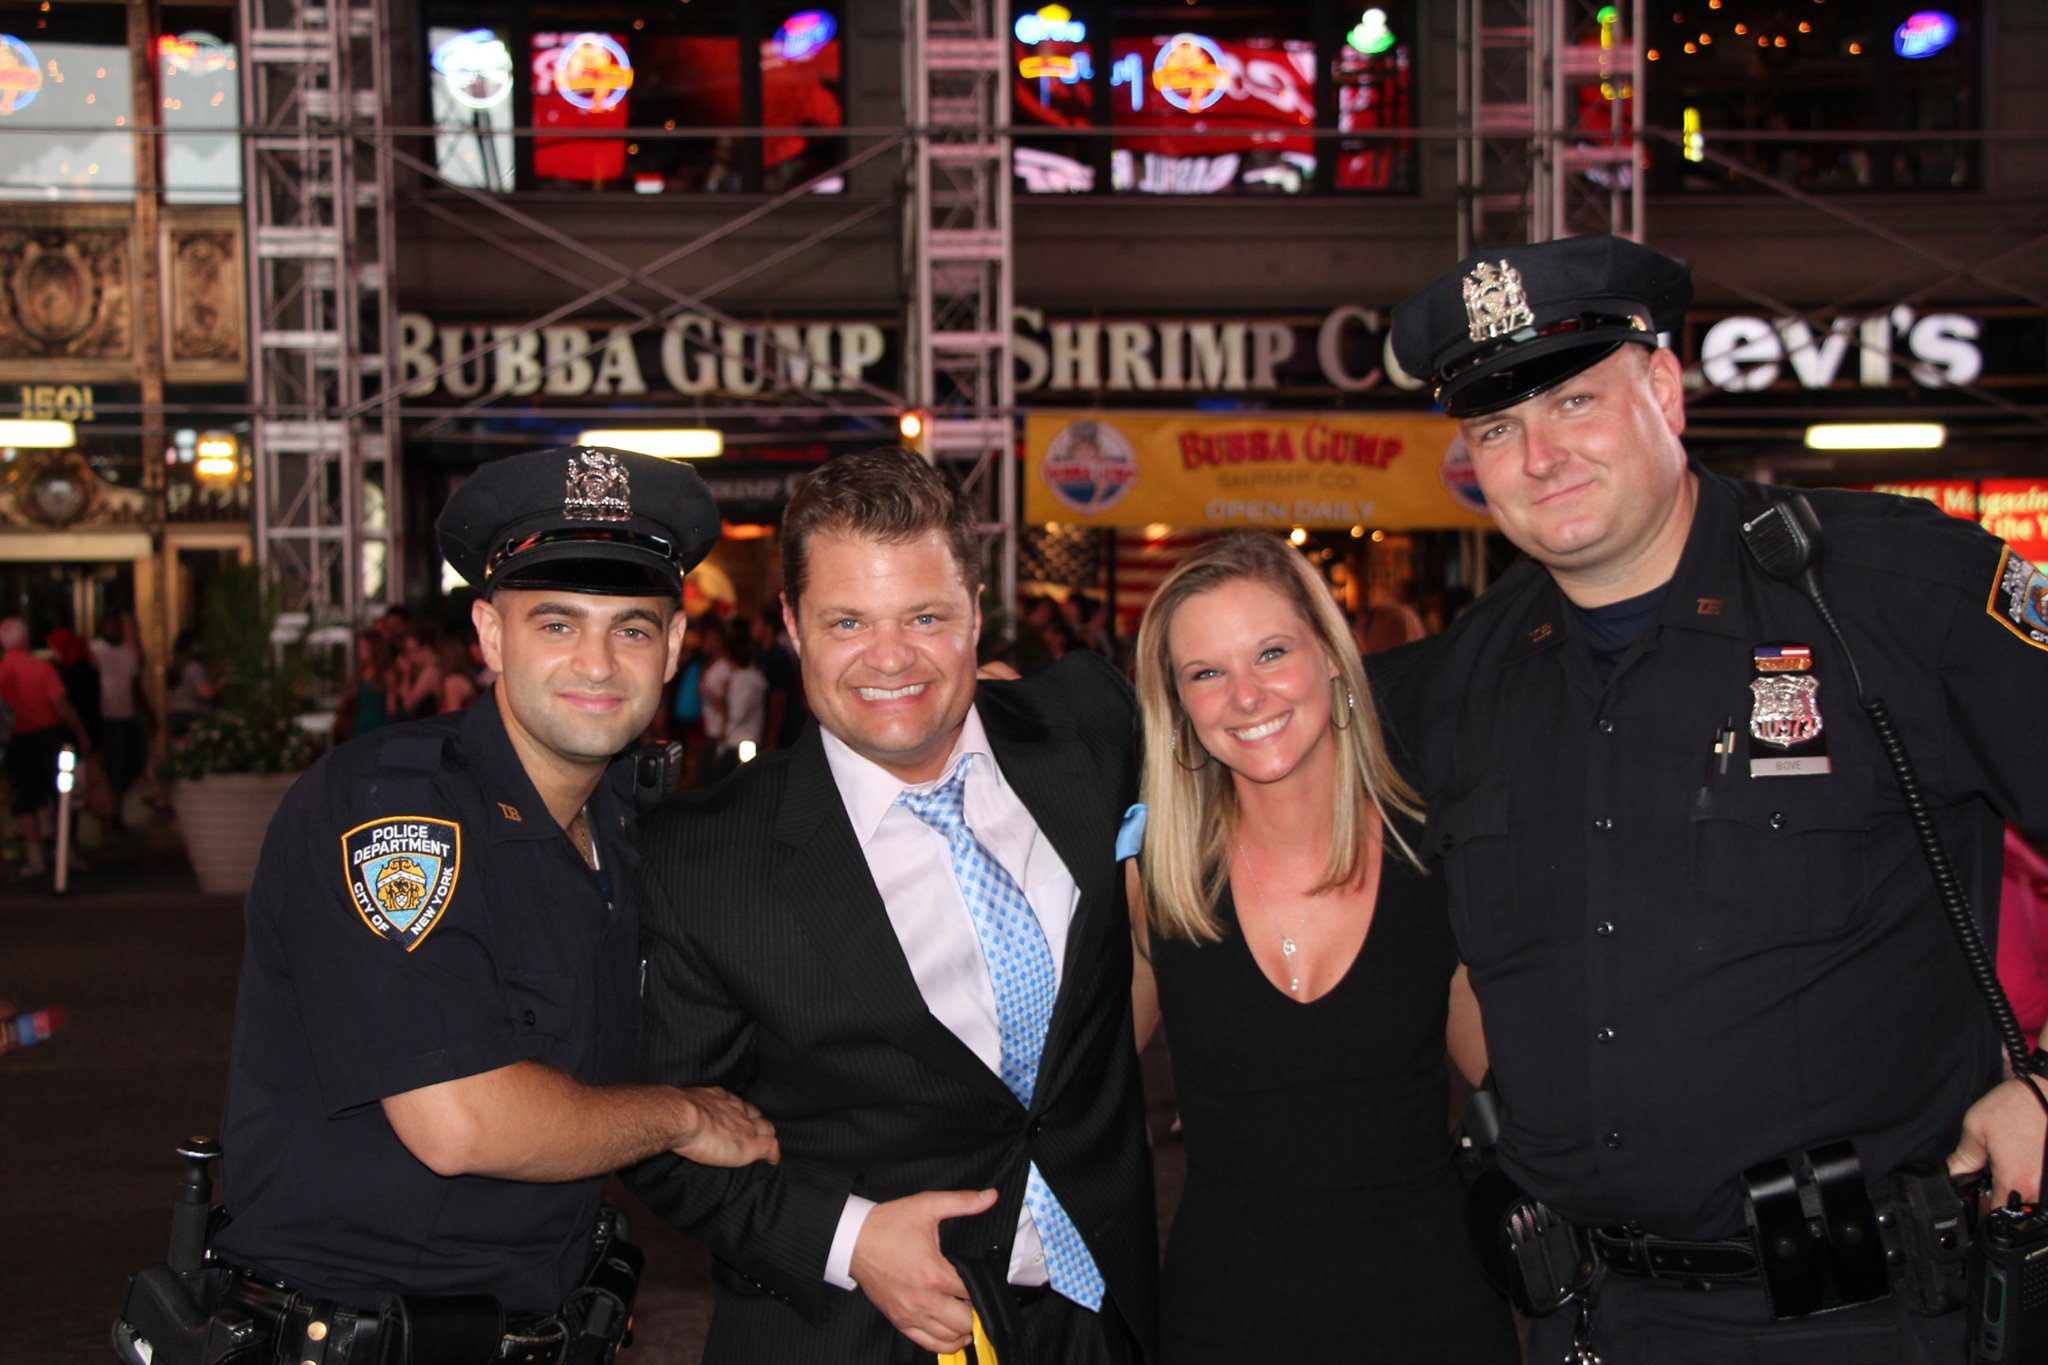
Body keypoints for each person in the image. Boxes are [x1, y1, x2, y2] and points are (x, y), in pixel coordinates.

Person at [1380, 234, 2048, 1361]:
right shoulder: (1456, 686)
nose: (1539, 454)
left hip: (1863, 1320)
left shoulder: (1891, 593)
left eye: (1575, 402)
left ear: (1662, 389)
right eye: (1496, 426)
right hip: (1585, 1318)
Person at [206, 446, 778, 1360]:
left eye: (631, 628)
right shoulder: (395, 810)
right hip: (354, 1332)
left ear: (673, 647)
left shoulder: (628, 824)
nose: (598, 663)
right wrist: (679, 1113)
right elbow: (461, 1121)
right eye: (557, 623)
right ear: (491, 634)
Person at [628, 446, 1159, 1363]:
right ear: (793, 624)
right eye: (848, 621)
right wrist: (847, 1238)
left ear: (977, 614)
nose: (891, 659)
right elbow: (657, 1128)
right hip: (858, 1334)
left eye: (926, 615)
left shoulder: (1092, 727)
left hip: (1104, 1317)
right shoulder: (700, 859)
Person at [1126, 533, 1517, 1364]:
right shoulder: (1160, 882)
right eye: (1206, 672)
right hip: (1221, 1324)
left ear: (1333, 659)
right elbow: (1055, 1091)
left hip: (1434, 1317)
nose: (1246, 695)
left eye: (1271, 651)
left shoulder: (1436, 856)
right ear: (1180, 707)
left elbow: (1534, 1087)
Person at [0, 617, 92, 879]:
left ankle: (35, 857)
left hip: (17, 741)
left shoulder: (2, 671)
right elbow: (60, 703)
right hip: (48, 736)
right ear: (26, 639)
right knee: (61, 795)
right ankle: (64, 851)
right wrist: (80, 732)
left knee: (24, 799)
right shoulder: (40, 668)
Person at [90, 613, 148, 830]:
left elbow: (134, 685)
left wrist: (146, 713)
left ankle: (116, 808)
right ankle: (110, 813)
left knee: (130, 763)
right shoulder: (95, 651)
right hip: (105, 718)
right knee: (110, 767)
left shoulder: (128, 653)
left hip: (125, 716)